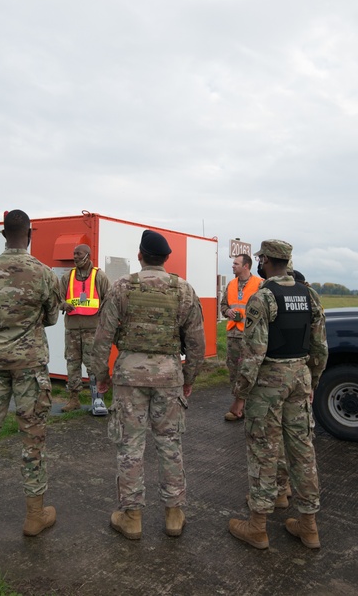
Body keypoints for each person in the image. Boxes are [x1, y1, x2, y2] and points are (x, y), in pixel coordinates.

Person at [92, 229, 205, 540]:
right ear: (166, 259)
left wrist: (101, 376)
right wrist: (189, 378)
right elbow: (196, 343)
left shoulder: (122, 288)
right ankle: (173, 515)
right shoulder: (184, 290)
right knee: (170, 444)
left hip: (129, 377)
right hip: (169, 376)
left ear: (140, 256)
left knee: (130, 447)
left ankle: (132, 518)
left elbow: (102, 338)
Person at [0, 209, 62, 536]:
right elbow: (50, 318)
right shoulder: (44, 274)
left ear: (5, 235)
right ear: (30, 234)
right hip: (30, 363)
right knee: (32, 436)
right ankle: (35, 515)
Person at [228, 240, 328, 550]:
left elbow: (254, 353)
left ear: (267, 261)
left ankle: (257, 526)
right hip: (299, 377)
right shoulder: (308, 294)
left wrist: (241, 394)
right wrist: (312, 380)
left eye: (260, 258)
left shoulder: (264, 298)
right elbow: (320, 347)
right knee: (302, 450)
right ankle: (309, 526)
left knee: (264, 449)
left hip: (269, 382)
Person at [58, 244, 111, 415]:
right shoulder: (67, 277)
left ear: (88, 255)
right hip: (72, 329)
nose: (75, 257)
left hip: (92, 330)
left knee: (93, 365)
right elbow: (57, 298)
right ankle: (73, 399)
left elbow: (109, 300)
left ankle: (97, 399)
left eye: (78, 254)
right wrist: (63, 304)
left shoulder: (99, 276)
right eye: (74, 254)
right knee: (72, 364)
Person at [220, 253, 262, 422]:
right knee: (234, 371)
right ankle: (239, 406)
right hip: (233, 335)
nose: (233, 266)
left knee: (251, 372)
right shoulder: (231, 284)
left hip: (251, 337)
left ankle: (250, 406)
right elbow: (223, 305)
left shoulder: (260, 284)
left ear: (246, 266)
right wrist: (227, 311)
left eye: (236, 263)